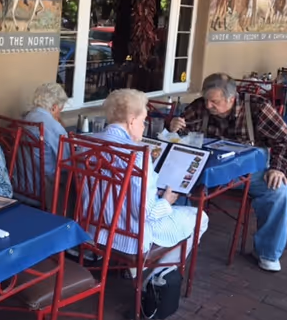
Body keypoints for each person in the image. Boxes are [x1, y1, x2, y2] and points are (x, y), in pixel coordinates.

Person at [170, 73, 287, 272]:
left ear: (232, 98)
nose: (209, 106)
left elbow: (286, 142)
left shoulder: (257, 107)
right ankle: (172, 243)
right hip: (208, 170)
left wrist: (277, 168)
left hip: (248, 172)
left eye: (214, 101)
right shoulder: (199, 107)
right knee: (172, 184)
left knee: (281, 193)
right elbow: (182, 139)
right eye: (206, 100)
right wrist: (175, 129)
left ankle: (267, 252)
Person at [86, 89, 208, 278]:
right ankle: (158, 276)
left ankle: (138, 270)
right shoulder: (137, 155)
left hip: (94, 228)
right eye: (143, 121)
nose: (144, 127)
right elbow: (149, 213)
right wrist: (167, 200)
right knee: (200, 216)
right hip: (130, 238)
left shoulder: (86, 142)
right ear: (132, 120)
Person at [22, 83, 69, 209]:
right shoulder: (54, 128)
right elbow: (67, 163)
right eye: (60, 109)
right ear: (54, 108)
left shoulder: (27, 117)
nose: (60, 114)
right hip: (45, 188)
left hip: (23, 182)